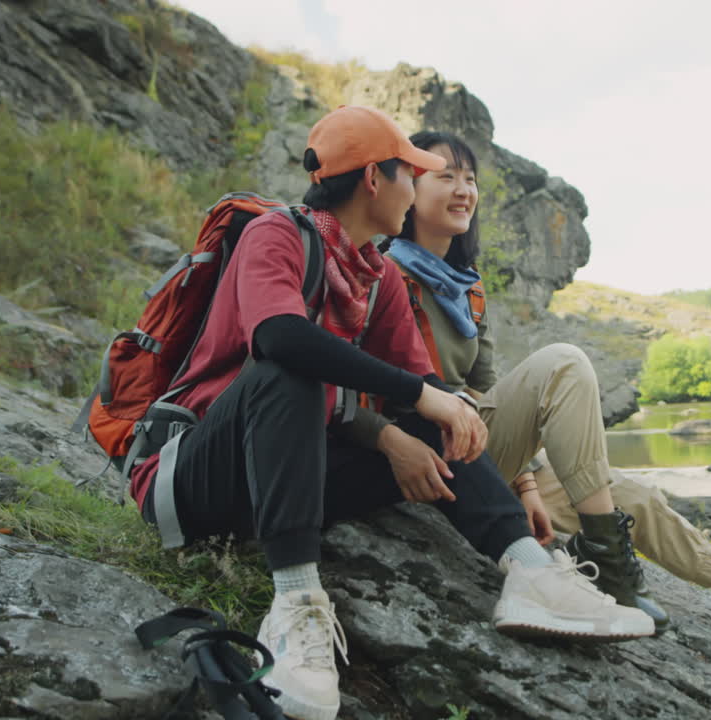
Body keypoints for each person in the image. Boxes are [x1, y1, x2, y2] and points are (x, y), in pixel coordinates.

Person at [127, 108, 653, 720]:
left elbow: (422, 388)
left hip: (287, 481)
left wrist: (435, 415)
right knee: (288, 364)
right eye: (413, 175)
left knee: (441, 415)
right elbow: (279, 339)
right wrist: (411, 410)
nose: (416, 191)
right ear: (375, 178)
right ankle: (296, 605)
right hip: (199, 481)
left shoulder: (375, 275)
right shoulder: (275, 235)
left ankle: (531, 574)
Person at [382, 129, 711, 644]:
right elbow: (364, 386)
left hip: (481, 455)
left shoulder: (468, 288)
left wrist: (528, 485)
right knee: (563, 363)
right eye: (446, 177)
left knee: (630, 495)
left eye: (471, 179)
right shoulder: (383, 271)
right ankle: (613, 573)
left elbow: (487, 389)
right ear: (408, 188)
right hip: (427, 456)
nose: (464, 189)